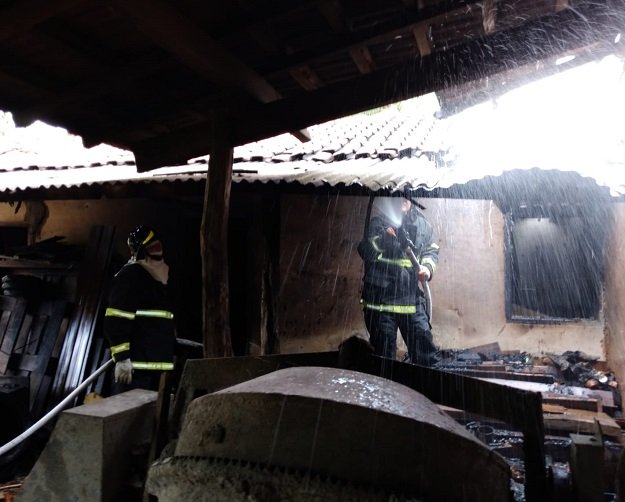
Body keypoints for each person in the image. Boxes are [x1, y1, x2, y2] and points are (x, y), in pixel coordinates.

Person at [357, 196, 440, 366]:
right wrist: (385, 240)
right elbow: (367, 249)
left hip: (410, 298)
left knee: (424, 350)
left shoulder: (423, 225)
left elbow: (430, 250)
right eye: (399, 196)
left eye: (406, 197)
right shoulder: (378, 224)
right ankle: (385, 383)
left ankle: (425, 382)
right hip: (381, 303)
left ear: (412, 199)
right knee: (383, 359)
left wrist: (427, 268)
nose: (402, 200)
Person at [104, 225, 176, 394]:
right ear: (141, 252)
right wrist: (122, 359)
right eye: (152, 248)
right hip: (135, 373)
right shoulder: (130, 277)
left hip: (159, 373)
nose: (158, 253)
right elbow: (115, 320)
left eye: (158, 246)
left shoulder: (160, 281)